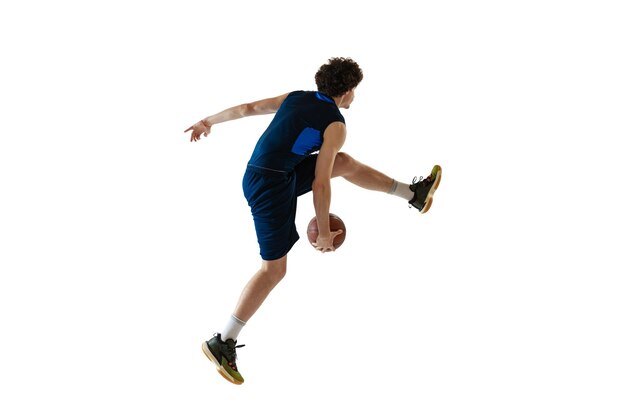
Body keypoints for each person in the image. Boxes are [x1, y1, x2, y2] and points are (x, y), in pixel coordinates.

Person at [184, 57, 441, 385]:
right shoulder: (336, 125)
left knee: (343, 163)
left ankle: (413, 194)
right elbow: (320, 182)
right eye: (354, 92)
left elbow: (248, 108)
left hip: (277, 172)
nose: (354, 98)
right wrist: (322, 231)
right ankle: (223, 341)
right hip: (269, 186)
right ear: (346, 92)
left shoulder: (297, 96)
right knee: (274, 269)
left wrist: (209, 121)